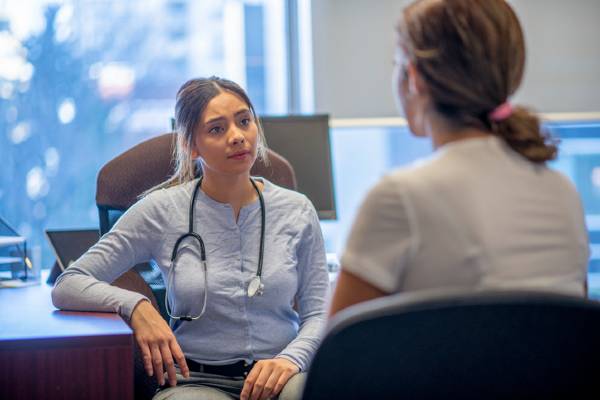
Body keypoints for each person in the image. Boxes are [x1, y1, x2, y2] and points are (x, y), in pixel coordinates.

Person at [52, 77, 330, 400]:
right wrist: (136, 306)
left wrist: (290, 359)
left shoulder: (298, 210)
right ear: (191, 145)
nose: (238, 137)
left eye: (244, 121)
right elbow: (68, 283)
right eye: (217, 129)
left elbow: (319, 315)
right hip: (196, 381)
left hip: (282, 375)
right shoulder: (161, 210)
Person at [330, 0, 589, 316]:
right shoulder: (563, 191)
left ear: (414, 77)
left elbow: (338, 358)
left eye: (396, 63)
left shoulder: (400, 196)